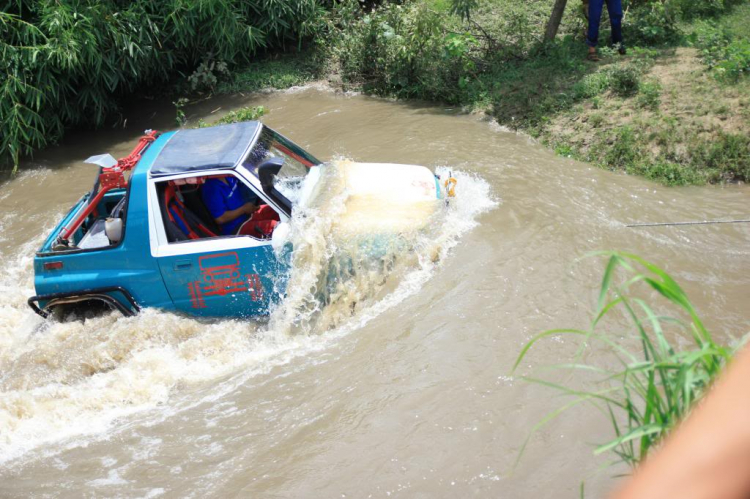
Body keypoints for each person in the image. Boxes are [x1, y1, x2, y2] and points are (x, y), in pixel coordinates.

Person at [201, 176, 279, 239]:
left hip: (249, 214)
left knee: (276, 210)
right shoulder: (211, 188)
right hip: (236, 227)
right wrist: (243, 209)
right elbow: (220, 218)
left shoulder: (229, 176)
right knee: (275, 228)